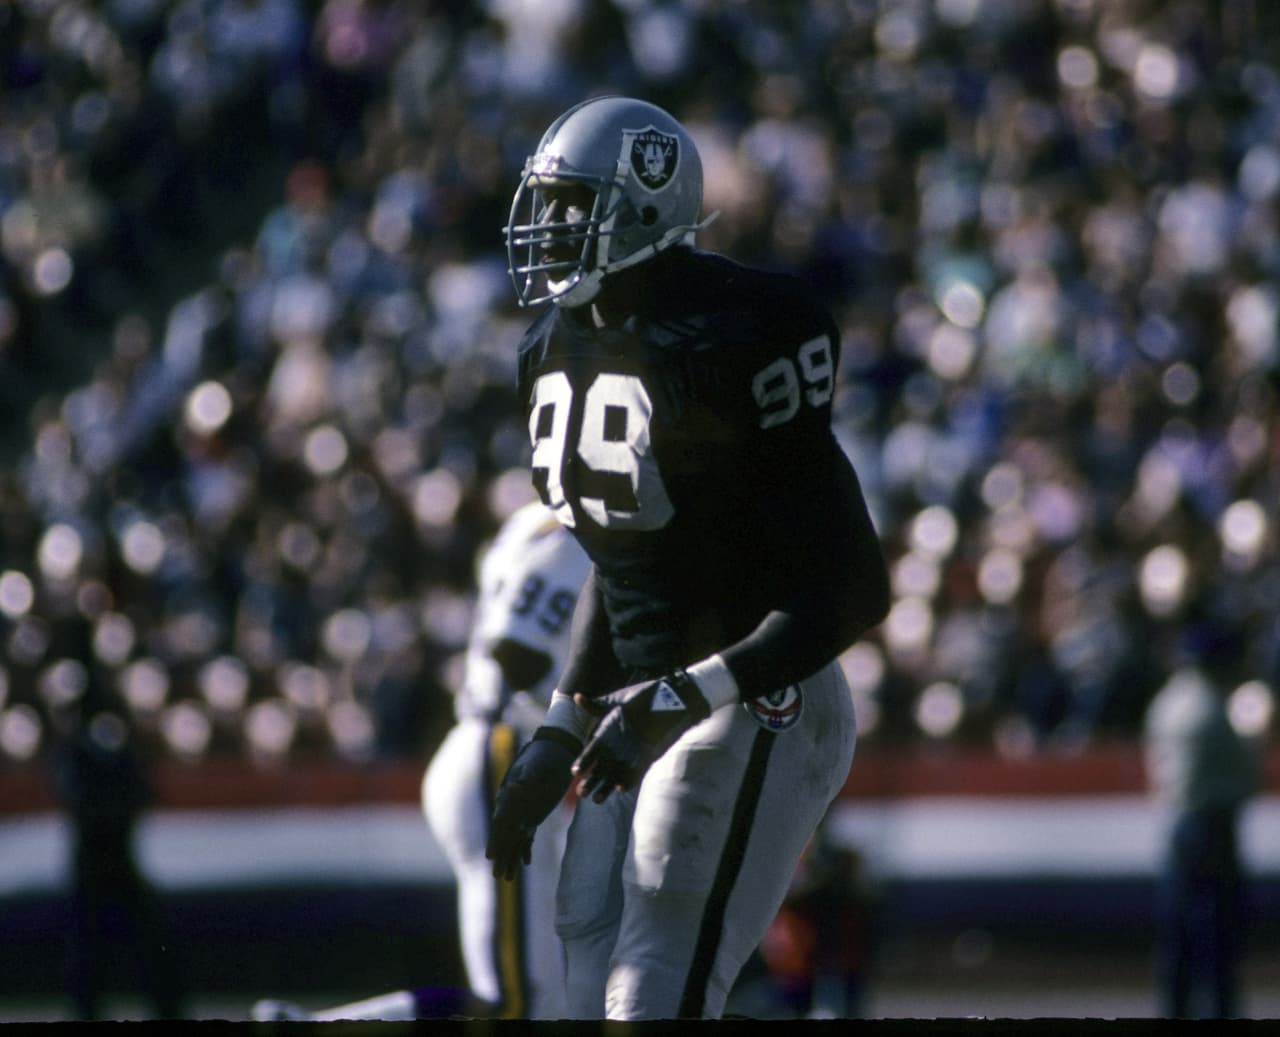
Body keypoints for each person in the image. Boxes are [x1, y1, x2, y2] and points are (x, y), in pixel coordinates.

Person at [484, 95, 890, 1021]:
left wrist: (681, 695)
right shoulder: (551, 346)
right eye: (545, 205)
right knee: (582, 964)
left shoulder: (742, 334)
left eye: (572, 206)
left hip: (757, 691)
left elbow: (851, 585)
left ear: (646, 205)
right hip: (640, 699)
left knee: (655, 975)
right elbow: (625, 562)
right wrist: (559, 721)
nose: (549, 229)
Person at [252, 500, 590, 1021]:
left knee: (533, 1001)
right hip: (505, 752)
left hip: (494, 751)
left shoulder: (534, 523)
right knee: (521, 1005)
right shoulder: (574, 536)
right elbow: (518, 649)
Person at [1143, 632, 1261, 1019]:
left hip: (1178, 821)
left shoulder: (1165, 704)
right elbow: (1245, 776)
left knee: (1178, 931)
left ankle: (1174, 1009)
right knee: (1217, 932)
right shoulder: (1212, 710)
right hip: (1212, 825)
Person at [49, 698, 184, 1021]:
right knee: (88, 956)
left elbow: (145, 794)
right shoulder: (73, 758)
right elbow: (78, 801)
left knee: (150, 950)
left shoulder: (126, 759)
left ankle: (169, 1012)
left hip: (123, 868)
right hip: (90, 871)